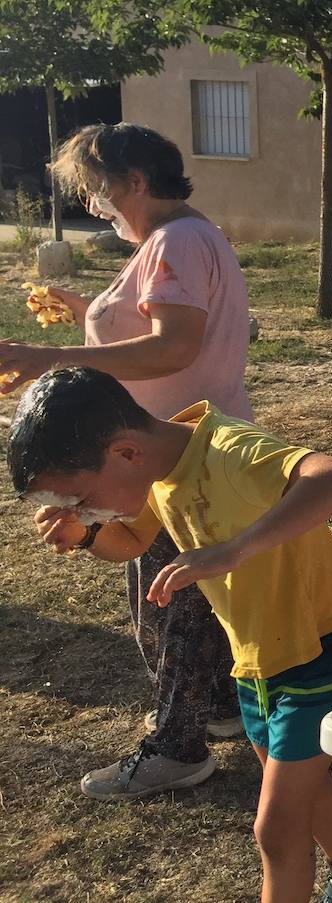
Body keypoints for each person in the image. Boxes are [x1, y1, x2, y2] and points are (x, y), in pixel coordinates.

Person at [10, 367, 332, 903]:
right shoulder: (157, 471)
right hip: (258, 655)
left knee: (275, 828)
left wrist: (232, 550)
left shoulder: (230, 447)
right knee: (289, 781)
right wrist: (86, 535)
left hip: (320, 647)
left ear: (125, 452)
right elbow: (126, 542)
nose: (82, 510)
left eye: (81, 499)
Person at [0, 122, 251, 799]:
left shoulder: (178, 241)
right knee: (182, 600)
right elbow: (156, 329)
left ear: (135, 182)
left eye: (97, 188)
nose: (93, 204)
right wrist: (88, 313)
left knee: (167, 604)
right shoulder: (181, 239)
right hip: (169, 450)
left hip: (172, 454)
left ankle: (178, 746)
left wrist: (51, 358)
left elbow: (174, 348)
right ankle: (217, 707)